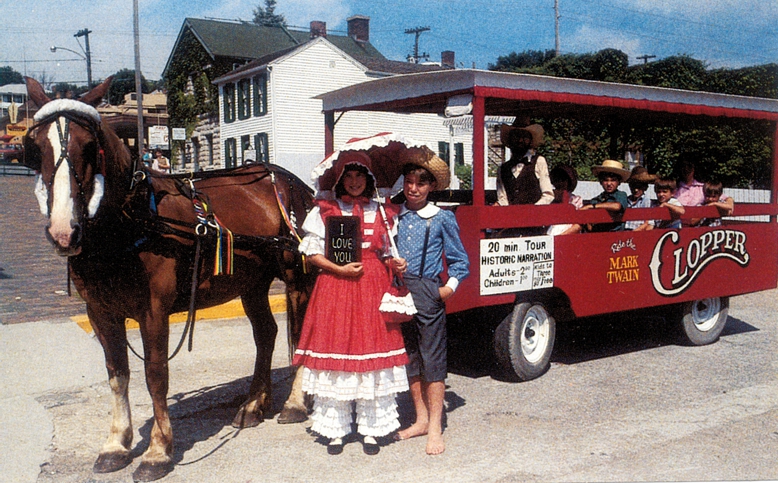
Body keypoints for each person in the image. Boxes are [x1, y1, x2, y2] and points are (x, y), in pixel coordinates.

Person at [293, 151, 409, 456]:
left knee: (371, 352)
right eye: (349, 176)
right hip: (336, 286)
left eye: (360, 176)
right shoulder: (327, 210)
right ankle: (336, 429)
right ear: (340, 179)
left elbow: (385, 252)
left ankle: (372, 430)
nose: (355, 182)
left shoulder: (383, 212)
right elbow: (311, 252)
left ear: (369, 180)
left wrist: (394, 264)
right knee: (339, 351)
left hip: (372, 286)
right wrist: (338, 269)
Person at [390, 157, 469, 456]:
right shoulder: (396, 216)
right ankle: (420, 419)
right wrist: (393, 263)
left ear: (432, 186)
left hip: (428, 289)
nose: (413, 188)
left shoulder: (441, 217)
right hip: (401, 289)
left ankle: (435, 425)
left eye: (420, 183)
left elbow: (460, 260)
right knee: (410, 357)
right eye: (409, 182)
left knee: (432, 358)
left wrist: (448, 288)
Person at [495, 121, 554, 206]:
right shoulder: (503, 169)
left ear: (530, 140)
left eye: (524, 137)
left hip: (535, 217)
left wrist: (532, 211)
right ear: (510, 140)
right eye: (516, 136)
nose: (520, 140)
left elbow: (548, 195)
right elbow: (503, 199)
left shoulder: (539, 162)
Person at [579, 159, 631, 232]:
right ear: (601, 182)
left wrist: (592, 206)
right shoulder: (597, 199)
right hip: (598, 235)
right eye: (606, 180)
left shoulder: (621, 195)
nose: (609, 184)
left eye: (613, 180)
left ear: (619, 182)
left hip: (616, 236)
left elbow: (617, 206)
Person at [546, 164, 583, 236]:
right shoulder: (549, 197)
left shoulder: (575, 199)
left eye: (563, 179)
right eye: (557, 179)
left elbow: (578, 224)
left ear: (568, 181)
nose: (560, 183)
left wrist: (561, 236)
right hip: (550, 233)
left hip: (568, 234)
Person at [624, 166, 656, 231]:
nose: (636, 190)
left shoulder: (646, 201)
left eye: (639, 187)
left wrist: (635, 232)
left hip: (638, 232)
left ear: (645, 187)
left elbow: (648, 223)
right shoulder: (627, 200)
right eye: (633, 186)